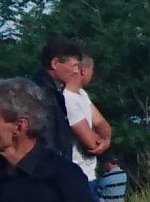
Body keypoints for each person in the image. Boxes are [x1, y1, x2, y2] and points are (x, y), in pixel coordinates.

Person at [42, 41, 110, 180]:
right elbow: (90, 142)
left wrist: (106, 139)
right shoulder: (66, 99)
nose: (75, 71)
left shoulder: (82, 94)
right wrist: (102, 141)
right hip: (77, 175)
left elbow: (100, 122)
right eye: (74, 66)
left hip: (88, 175)